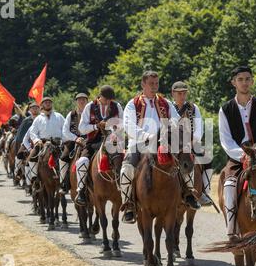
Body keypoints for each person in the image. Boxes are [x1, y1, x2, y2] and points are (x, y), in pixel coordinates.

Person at [219, 66, 256, 238]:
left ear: (252, 81)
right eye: (240, 79)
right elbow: (226, 140)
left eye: (247, 79)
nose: (244, 83)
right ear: (233, 82)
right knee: (229, 186)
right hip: (238, 157)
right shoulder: (226, 109)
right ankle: (232, 229)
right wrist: (242, 155)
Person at [120, 70, 186, 224]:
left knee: (185, 162)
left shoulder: (165, 103)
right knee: (126, 170)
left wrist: (168, 131)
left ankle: (187, 194)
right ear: (143, 84)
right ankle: (129, 204)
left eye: (156, 83)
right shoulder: (133, 104)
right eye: (151, 84)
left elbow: (176, 121)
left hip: (163, 145)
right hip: (139, 144)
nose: (154, 86)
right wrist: (147, 136)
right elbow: (128, 125)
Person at [75, 86, 124, 203]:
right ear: (100, 96)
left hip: (113, 140)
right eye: (106, 99)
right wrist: (96, 126)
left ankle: (125, 190)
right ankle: (81, 191)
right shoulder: (90, 106)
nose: (108, 101)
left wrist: (111, 127)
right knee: (82, 161)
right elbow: (82, 129)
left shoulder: (116, 106)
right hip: (93, 141)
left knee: (127, 161)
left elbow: (123, 125)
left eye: (110, 99)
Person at [171, 81, 213, 207]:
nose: (182, 96)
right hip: (172, 143)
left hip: (190, 142)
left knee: (207, 157)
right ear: (173, 94)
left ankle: (204, 191)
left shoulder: (193, 108)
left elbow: (199, 127)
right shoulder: (168, 107)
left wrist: (192, 141)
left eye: (184, 93)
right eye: (179, 93)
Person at [28, 97, 65, 185]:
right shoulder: (38, 118)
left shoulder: (59, 116)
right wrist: (37, 140)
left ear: (52, 104)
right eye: (45, 102)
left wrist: (63, 140)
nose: (48, 103)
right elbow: (32, 132)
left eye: (49, 102)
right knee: (31, 158)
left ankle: (66, 179)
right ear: (42, 105)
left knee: (68, 157)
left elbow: (65, 129)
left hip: (58, 143)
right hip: (43, 143)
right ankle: (35, 178)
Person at [59, 93, 89, 195]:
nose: (81, 101)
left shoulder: (91, 114)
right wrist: (76, 138)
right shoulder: (71, 114)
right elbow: (65, 131)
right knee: (63, 158)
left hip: (89, 140)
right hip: (73, 141)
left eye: (84, 100)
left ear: (87, 101)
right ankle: (64, 184)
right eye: (79, 100)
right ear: (76, 102)